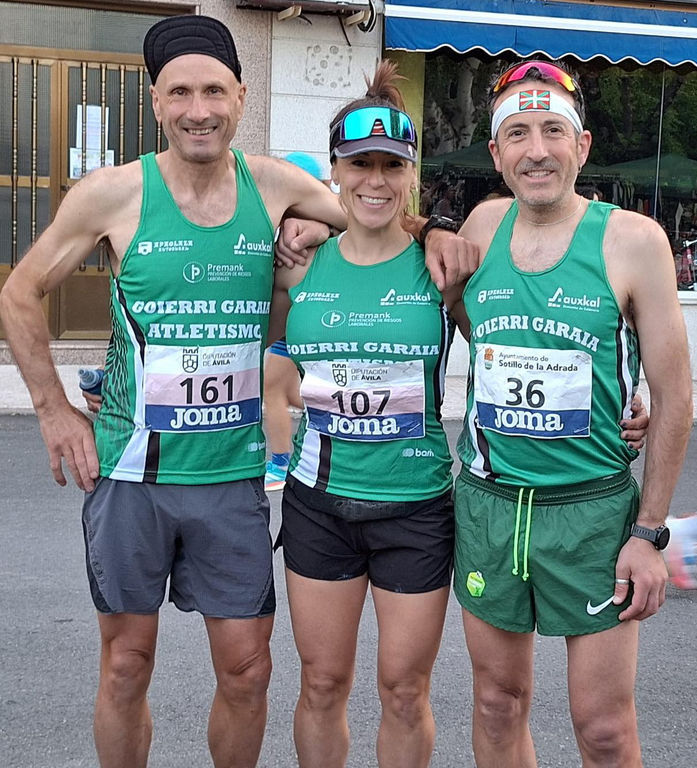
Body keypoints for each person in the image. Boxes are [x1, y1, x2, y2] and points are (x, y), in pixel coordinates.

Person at [0, 16, 473, 768]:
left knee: (249, 672)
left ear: (240, 97)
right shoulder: (111, 194)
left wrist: (441, 226)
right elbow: (20, 293)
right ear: (156, 102)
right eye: (181, 93)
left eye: (214, 91)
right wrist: (54, 411)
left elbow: (374, 211)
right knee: (125, 665)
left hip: (232, 475)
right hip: (131, 472)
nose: (199, 110)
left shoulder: (275, 186)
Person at [452, 59, 692, 767]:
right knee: (497, 705)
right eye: (518, 134)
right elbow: (472, 326)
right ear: (496, 154)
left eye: (553, 130)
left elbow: (675, 397)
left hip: (592, 515)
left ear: (581, 145)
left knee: (604, 730)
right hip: (491, 507)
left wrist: (648, 534)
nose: (537, 150)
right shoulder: (481, 225)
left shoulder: (633, 240)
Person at [267, 59, 472, 768]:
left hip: (415, 508)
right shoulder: (298, 264)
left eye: (391, 164)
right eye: (360, 164)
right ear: (335, 171)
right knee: (322, 683)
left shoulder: (441, 270)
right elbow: (215, 325)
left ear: (411, 173)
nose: (375, 180)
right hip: (318, 504)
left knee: (404, 691)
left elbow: (508, 353)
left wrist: (615, 401)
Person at [264, 152, 324, 491]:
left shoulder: (320, 228)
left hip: (298, 329)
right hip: (286, 328)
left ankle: (280, 461)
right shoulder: (282, 227)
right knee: (279, 389)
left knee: (274, 388)